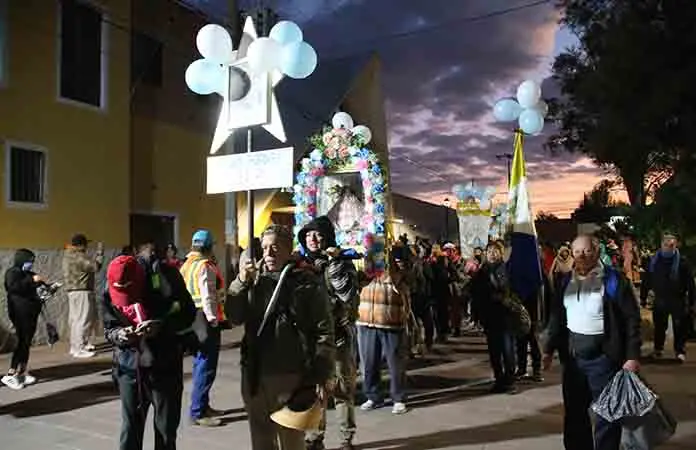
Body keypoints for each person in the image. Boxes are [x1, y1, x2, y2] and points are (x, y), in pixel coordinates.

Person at [227, 224, 335, 450]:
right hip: (255, 374)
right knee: (261, 440)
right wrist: (240, 282)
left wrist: (321, 373)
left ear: (288, 250)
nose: (268, 253)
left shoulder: (305, 281)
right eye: (265, 247)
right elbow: (234, 317)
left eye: (275, 247)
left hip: (290, 375)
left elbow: (323, 331)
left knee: (291, 442)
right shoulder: (253, 279)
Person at [543, 235, 641, 450]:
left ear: (597, 252)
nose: (582, 256)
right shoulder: (565, 281)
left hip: (605, 359)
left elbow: (632, 318)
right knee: (574, 414)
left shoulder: (613, 280)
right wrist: (548, 349)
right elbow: (557, 318)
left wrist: (632, 356)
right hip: (574, 360)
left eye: (587, 251)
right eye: (577, 252)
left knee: (608, 415)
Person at [104, 242, 197, 450]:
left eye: (131, 294)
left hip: (165, 364)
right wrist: (120, 334)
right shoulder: (112, 282)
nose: (127, 301)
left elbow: (188, 313)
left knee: (165, 430)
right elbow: (109, 327)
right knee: (130, 428)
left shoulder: (167, 277)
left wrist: (161, 326)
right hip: (130, 366)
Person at [298, 216, 359, 450]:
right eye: (308, 235)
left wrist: (334, 263)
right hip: (312, 341)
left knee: (342, 389)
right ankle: (314, 438)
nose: (312, 239)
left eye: (318, 234)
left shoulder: (342, 262)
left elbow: (347, 295)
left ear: (328, 237)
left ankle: (346, 438)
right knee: (315, 392)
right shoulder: (301, 265)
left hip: (338, 337)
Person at [180, 230, 226, 427]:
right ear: (208, 247)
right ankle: (198, 412)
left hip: (192, 319)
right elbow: (208, 295)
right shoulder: (204, 266)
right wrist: (213, 319)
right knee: (206, 366)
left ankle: (203, 406)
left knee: (200, 363)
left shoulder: (187, 264)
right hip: (205, 320)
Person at [356, 248, 411, 414]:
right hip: (365, 323)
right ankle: (373, 396)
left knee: (395, 363)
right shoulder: (363, 277)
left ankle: (399, 398)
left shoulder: (396, 276)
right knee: (369, 363)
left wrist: (390, 265)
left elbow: (401, 284)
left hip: (391, 324)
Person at [470, 241, 518, 394]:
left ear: (501, 253)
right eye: (489, 251)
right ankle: (499, 379)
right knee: (494, 352)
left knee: (508, 350)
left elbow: (512, 291)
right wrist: (477, 316)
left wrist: (503, 297)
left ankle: (510, 381)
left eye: (495, 251)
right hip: (489, 317)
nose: (492, 253)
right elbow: (475, 294)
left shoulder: (508, 269)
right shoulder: (481, 271)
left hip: (506, 316)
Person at [640, 231, 695, 361]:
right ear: (661, 245)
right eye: (666, 245)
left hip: (678, 299)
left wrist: (692, 302)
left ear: (676, 246)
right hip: (660, 299)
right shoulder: (654, 261)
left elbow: (690, 283)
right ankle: (658, 349)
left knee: (679, 327)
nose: (669, 247)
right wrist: (643, 297)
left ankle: (679, 351)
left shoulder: (682, 262)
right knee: (659, 326)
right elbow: (646, 281)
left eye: (672, 245)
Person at [2, 249, 45, 390]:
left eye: (32, 262)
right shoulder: (12, 273)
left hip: (31, 312)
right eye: (28, 261)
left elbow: (35, 287)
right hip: (19, 313)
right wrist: (31, 280)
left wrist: (45, 287)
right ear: (21, 260)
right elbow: (13, 287)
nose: (30, 264)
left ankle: (22, 372)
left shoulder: (28, 273)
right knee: (21, 341)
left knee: (26, 342)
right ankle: (11, 374)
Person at [62, 233, 103, 358]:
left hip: (72, 291)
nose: (86, 247)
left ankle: (75, 346)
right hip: (82, 290)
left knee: (75, 320)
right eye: (85, 245)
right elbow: (95, 267)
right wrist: (100, 253)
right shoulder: (79, 256)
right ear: (81, 245)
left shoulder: (68, 255)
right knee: (83, 320)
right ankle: (79, 349)